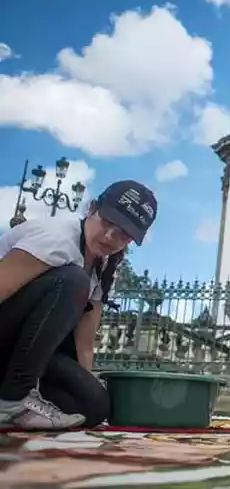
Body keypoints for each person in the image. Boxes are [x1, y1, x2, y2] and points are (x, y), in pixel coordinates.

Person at [0, 180, 158, 429]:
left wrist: (87, 381)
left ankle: (16, 395)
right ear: (92, 209)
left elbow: (84, 340)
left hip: (25, 352)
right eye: (107, 222)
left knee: (93, 407)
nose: (109, 237)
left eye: (123, 234)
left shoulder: (104, 265)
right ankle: (11, 401)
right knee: (73, 280)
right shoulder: (56, 239)